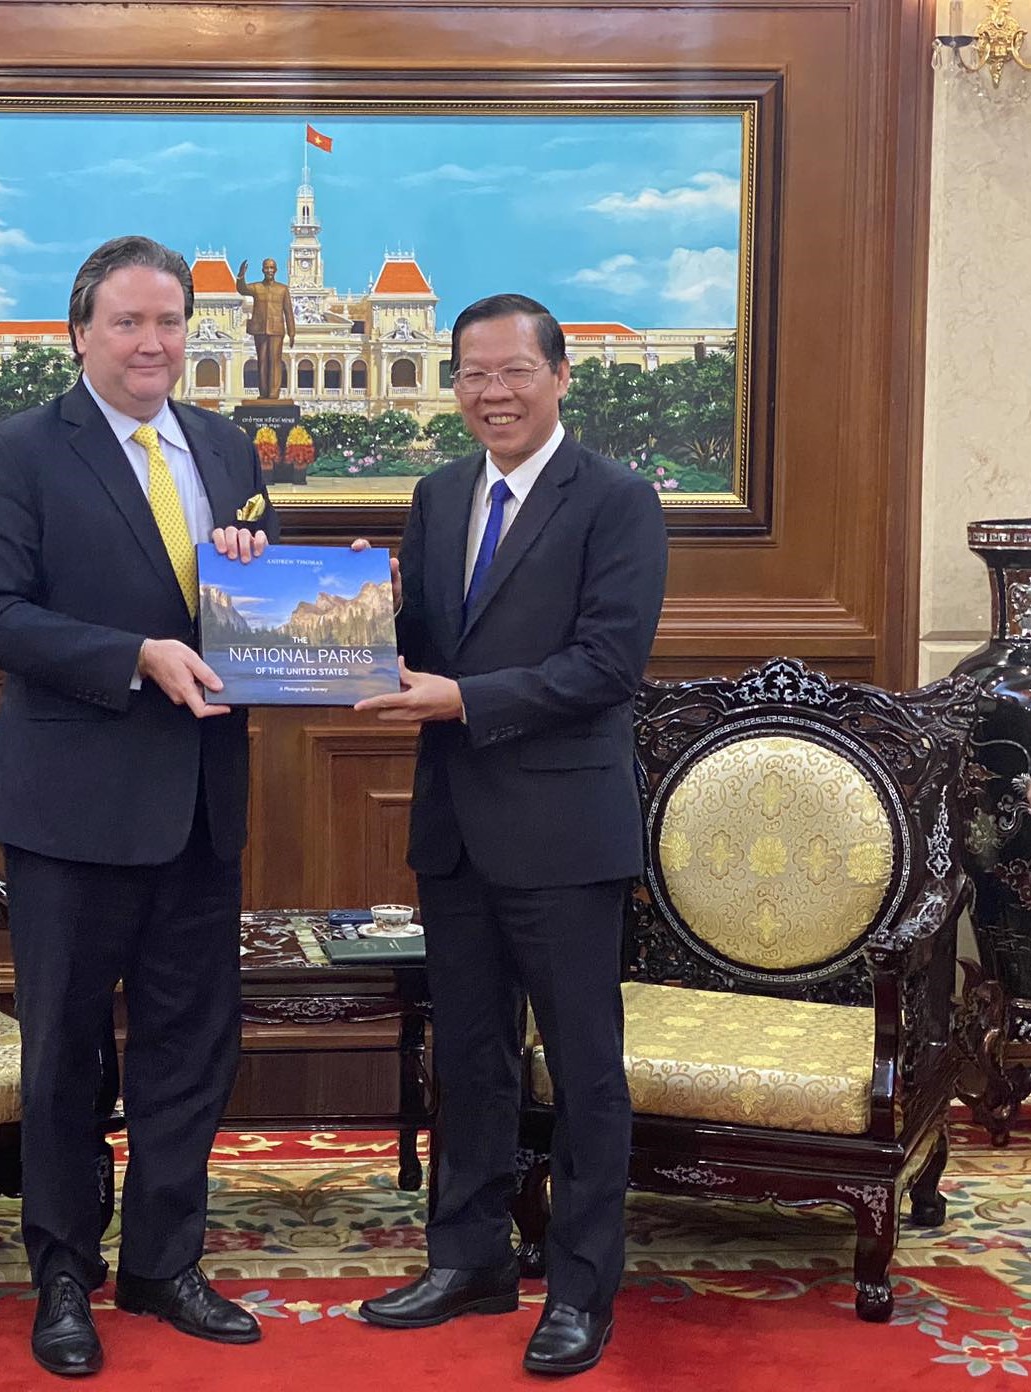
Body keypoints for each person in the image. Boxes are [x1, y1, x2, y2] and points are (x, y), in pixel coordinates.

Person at [0, 234, 279, 1379]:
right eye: (129, 323)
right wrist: (136, 652)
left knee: (191, 1047)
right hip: (75, 807)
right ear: (80, 332)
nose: (154, 343)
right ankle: (61, 1273)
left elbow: (255, 620)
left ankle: (164, 1263)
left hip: (201, 803)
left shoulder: (231, 445)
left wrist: (249, 573)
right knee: (66, 1056)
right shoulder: (18, 452)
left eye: (170, 322)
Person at [353, 293, 668, 1377]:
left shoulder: (618, 501)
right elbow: (421, 643)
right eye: (472, 375)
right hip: (456, 830)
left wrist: (460, 702)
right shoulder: (438, 496)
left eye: (514, 372)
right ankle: (468, 1259)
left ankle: (580, 1289)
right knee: (470, 1062)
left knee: (583, 1071)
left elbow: (606, 666)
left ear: (559, 375)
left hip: (565, 831)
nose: (493, 393)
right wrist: (361, 606)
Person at [235, 257, 296, 400]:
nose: (269, 270)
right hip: (260, 328)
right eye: (267, 268)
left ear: (275, 270)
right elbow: (242, 288)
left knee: (275, 361)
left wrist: (292, 333)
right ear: (263, 270)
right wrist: (241, 275)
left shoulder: (282, 289)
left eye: (271, 268)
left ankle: (274, 393)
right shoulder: (257, 287)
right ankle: (263, 392)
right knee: (262, 361)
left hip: (276, 330)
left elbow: (288, 311)